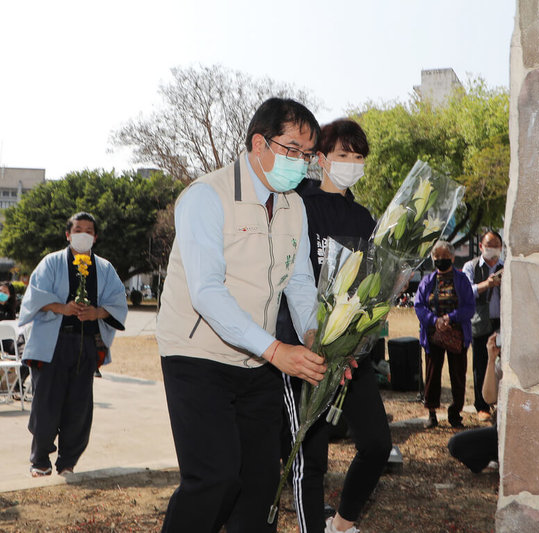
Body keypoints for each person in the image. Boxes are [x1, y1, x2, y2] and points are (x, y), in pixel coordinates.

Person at [156, 97, 327, 533]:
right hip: (197, 357)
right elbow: (207, 293)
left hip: (257, 363)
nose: (301, 163)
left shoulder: (295, 207)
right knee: (214, 478)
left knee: (260, 484)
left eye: (308, 155)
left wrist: (313, 339)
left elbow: (301, 282)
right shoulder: (205, 197)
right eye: (292, 150)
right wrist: (275, 350)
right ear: (259, 143)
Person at [275, 118, 391, 533]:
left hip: (351, 354)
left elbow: (373, 284)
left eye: (359, 157)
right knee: (312, 454)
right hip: (305, 348)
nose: (352, 163)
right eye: (344, 155)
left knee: (378, 443)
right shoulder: (296, 205)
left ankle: (341, 524)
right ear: (320, 159)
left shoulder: (364, 218)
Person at [18, 212, 127, 477]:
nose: (83, 234)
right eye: (78, 229)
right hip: (52, 344)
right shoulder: (51, 262)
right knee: (46, 403)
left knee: (79, 407)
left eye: (89, 230)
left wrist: (97, 313)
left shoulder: (104, 268)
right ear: (68, 234)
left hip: (85, 344)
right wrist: (62, 308)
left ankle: (68, 462)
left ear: (95, 237)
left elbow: (117, 302)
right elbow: (34, 298)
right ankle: (40, 460)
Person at [414, 240, 475, 429]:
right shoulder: (427, 281)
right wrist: (435, 321)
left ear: (452, 258)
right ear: (433, 258)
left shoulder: (462, 279)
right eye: (437, 257)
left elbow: (469, 307)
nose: (441, 260)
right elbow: (419, 305)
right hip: (433, 335)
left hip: (457, 335)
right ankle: (432, 413)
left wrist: (450, 318)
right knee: (432, 375)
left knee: (458, 375)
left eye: (445, 257)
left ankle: (455, 413)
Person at [462, 230, 503, 422]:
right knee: (480, 363)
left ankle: (501, 401)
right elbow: (465, 292)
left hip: (502, 321)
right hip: (480, 321)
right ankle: (482, 406)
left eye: (496, 246)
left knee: (503, 363)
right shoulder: (470, 267)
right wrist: (486, 284)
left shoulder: (506, 266)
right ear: (481, 247)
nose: (492, 250)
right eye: (489, 246)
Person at [447, 331, 501, 472]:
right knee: (455, 444)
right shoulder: (503, 363)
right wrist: (491, 360)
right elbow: (489, 398)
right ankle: (491, 459)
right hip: (501, 431)